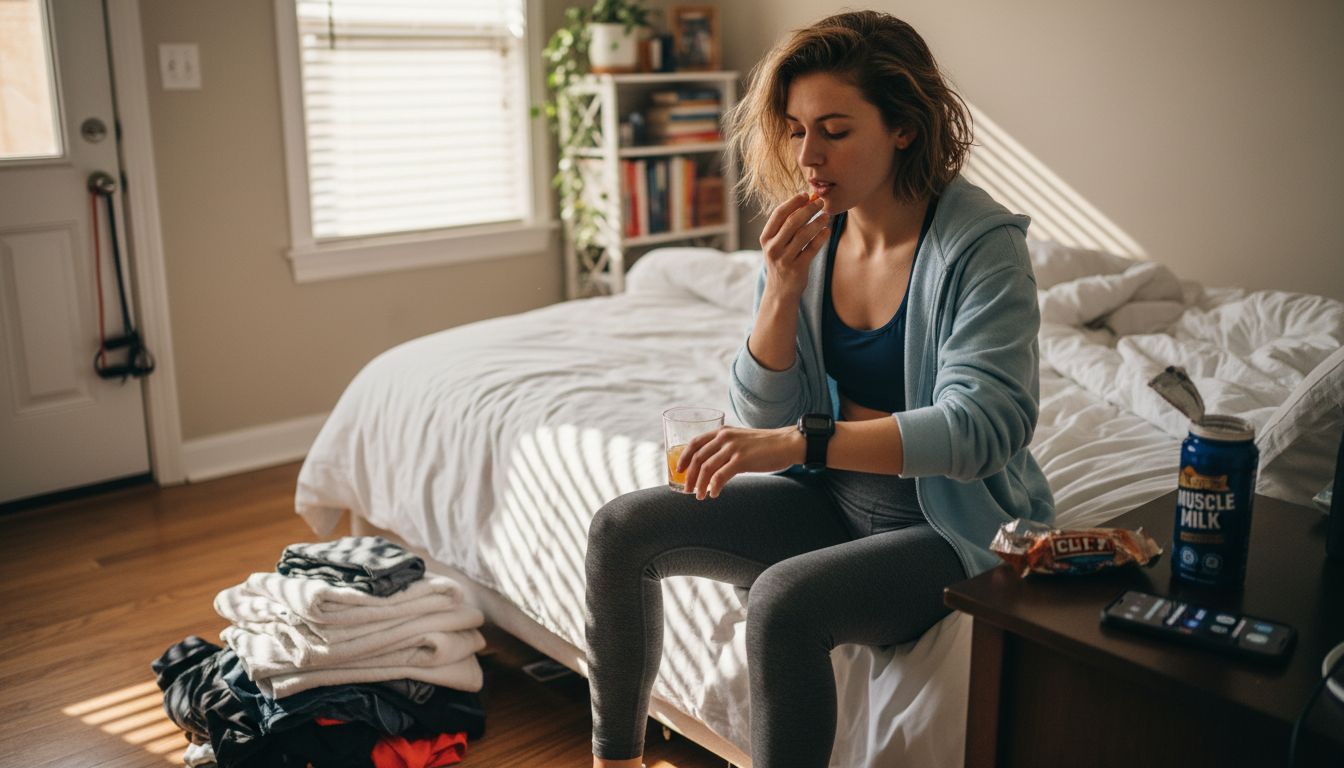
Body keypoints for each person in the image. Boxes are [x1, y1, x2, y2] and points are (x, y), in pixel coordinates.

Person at [584, 10, 1055, 768]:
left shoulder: (982, 247)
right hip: (830, 499)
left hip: (942, 529)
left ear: (904, 127)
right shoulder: (818, 230)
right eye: (798, 129)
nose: (808, 154)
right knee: (621, 530)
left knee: (783, 603)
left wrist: (800, 441)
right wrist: (778, 291)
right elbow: (763, 416)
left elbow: (984, 428)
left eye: (835, 129)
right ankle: (617, 761)